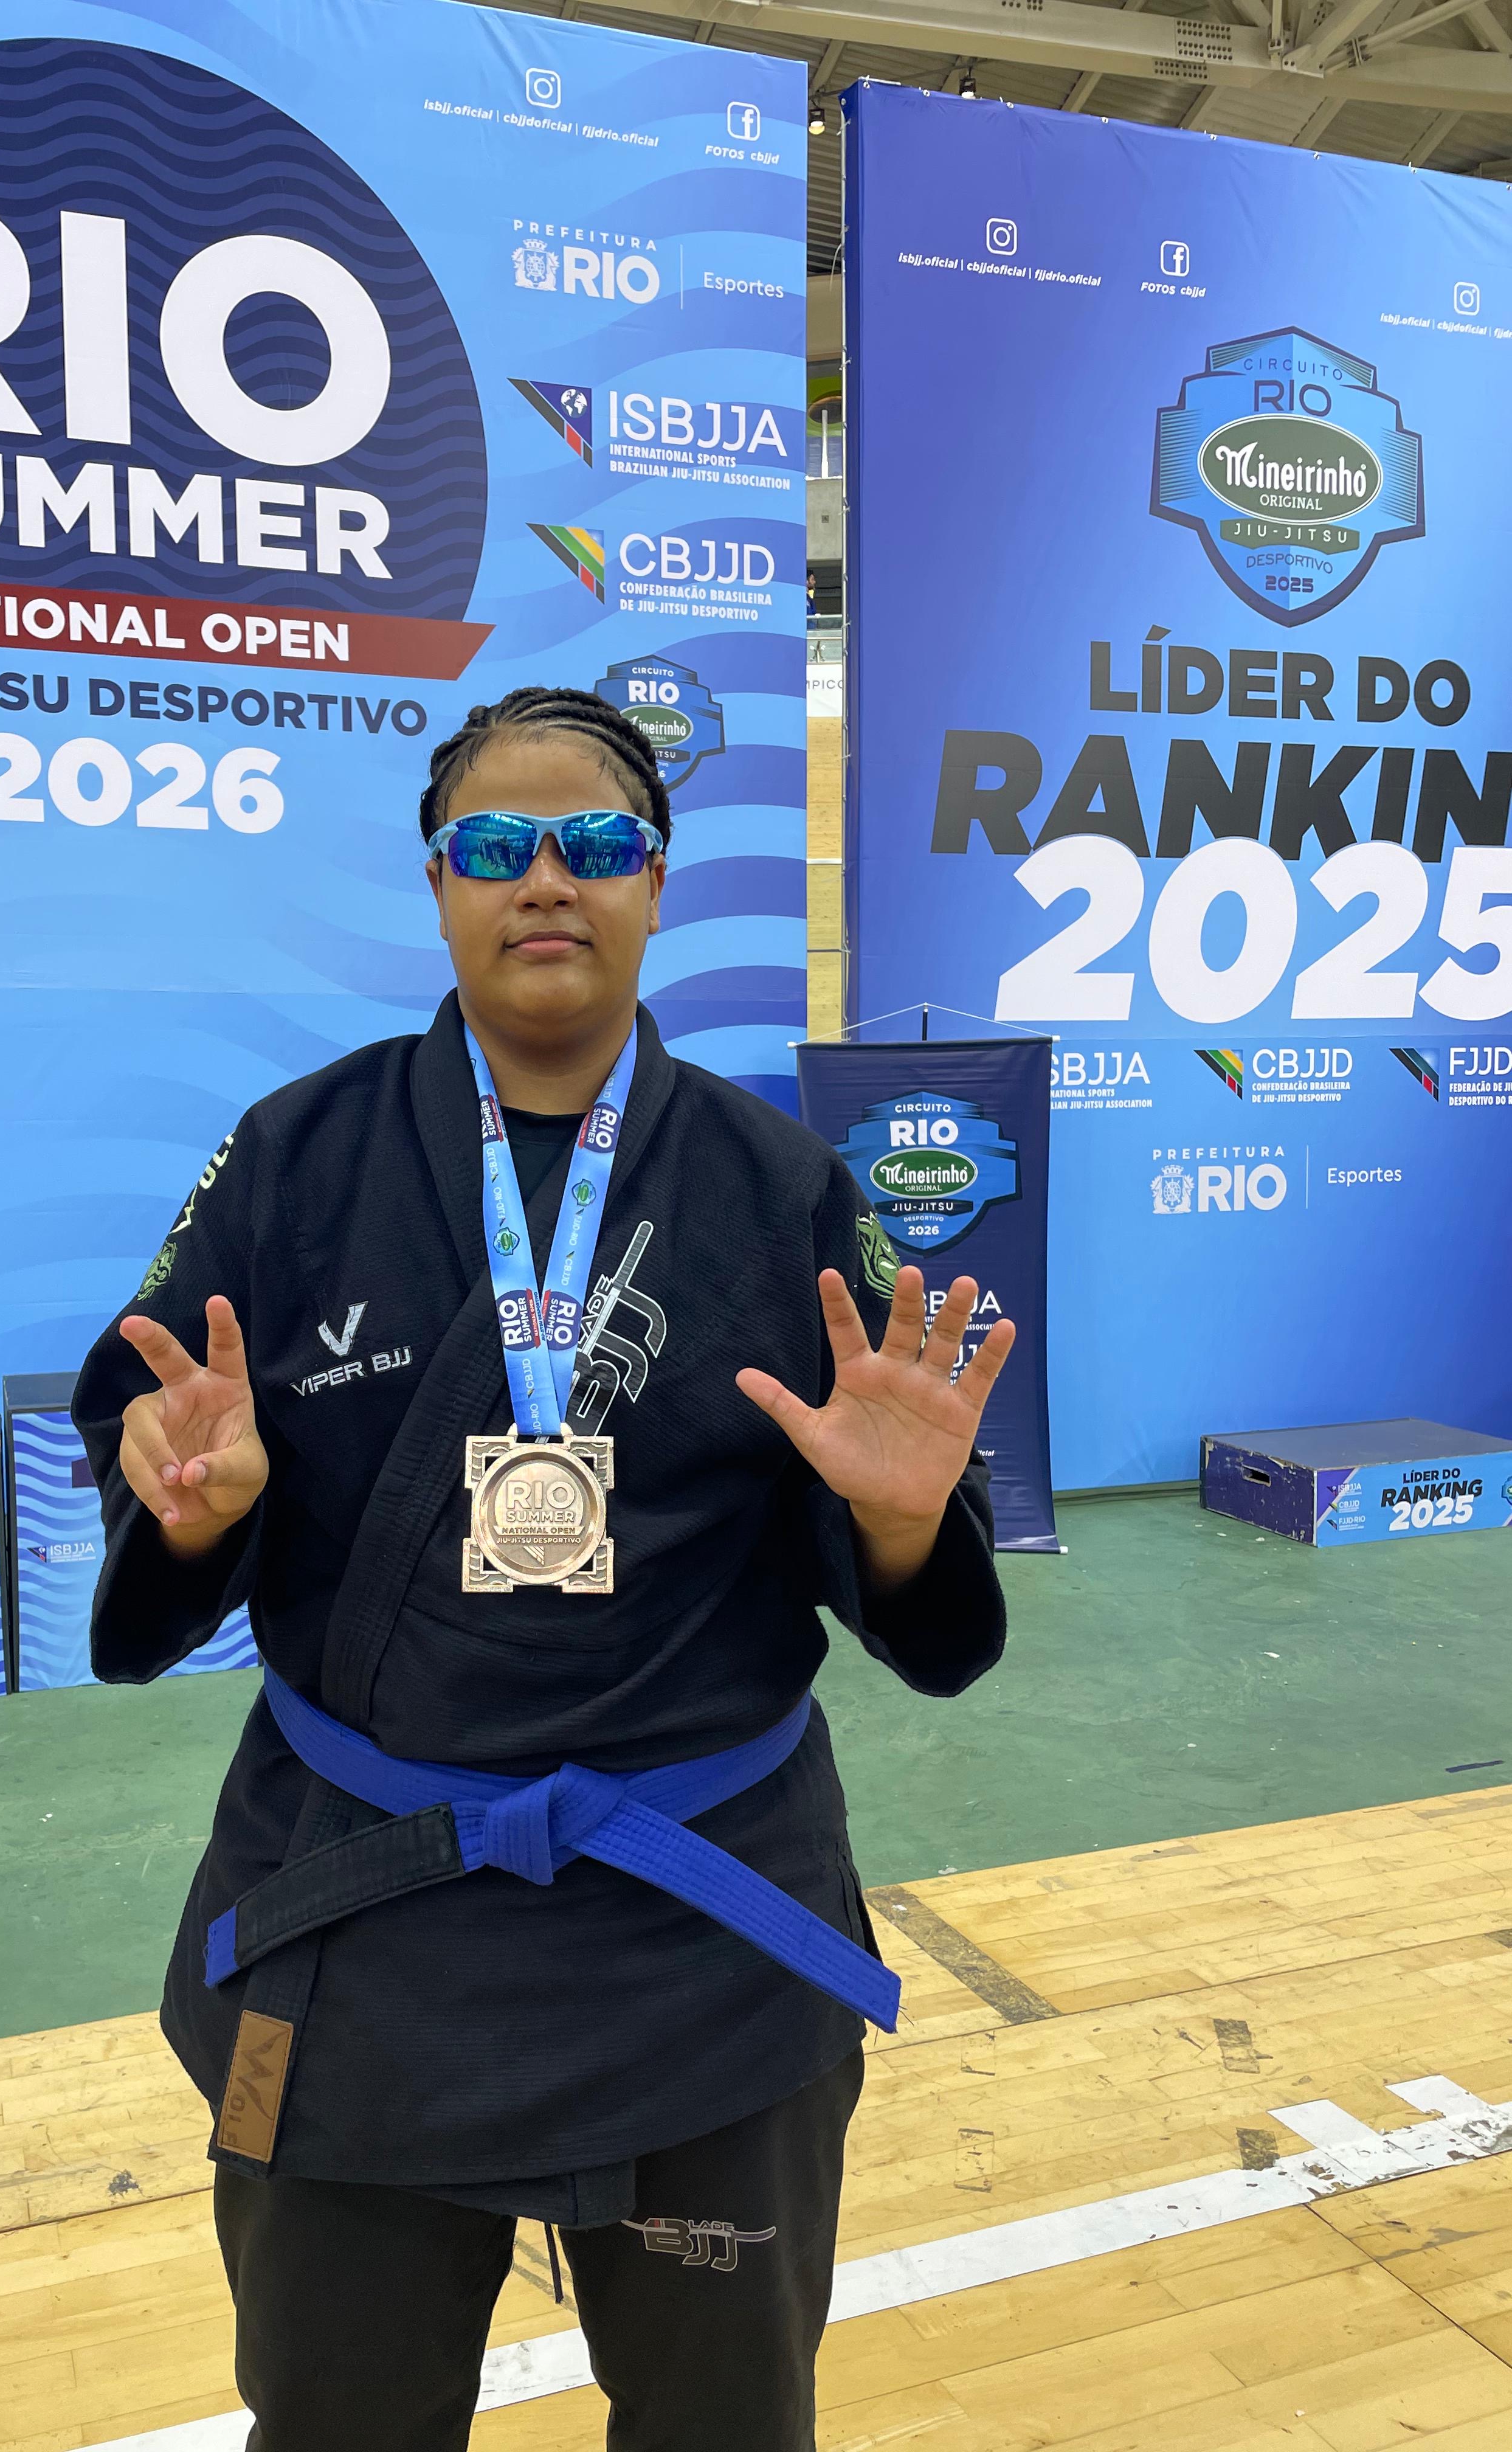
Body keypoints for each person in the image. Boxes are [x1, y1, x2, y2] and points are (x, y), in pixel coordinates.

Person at [71, 684, 1014, 2451]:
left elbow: (927, 1614)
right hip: (362, 1925)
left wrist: (899, 1520)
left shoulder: (782, 1186)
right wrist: (195, 1504)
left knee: (726, 2422)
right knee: (338, 2421)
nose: (546, 879)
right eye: (495, 844)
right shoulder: (294, 1156)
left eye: (596, 842)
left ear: (657, 881)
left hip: (699, 1935)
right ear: (439, 884)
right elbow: (150, 1432)